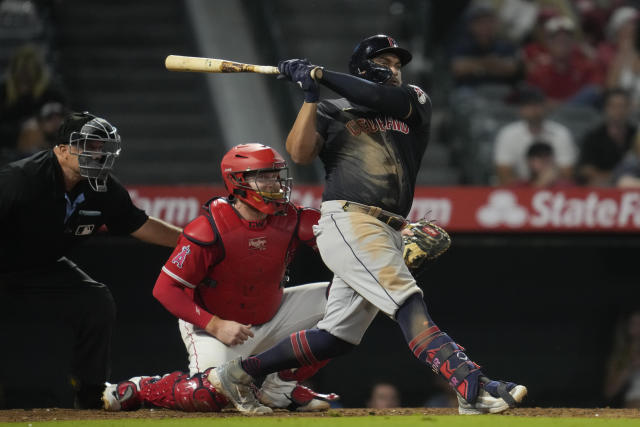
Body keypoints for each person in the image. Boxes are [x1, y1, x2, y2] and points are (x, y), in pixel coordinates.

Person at [205, 34, 527, 415]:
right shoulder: (331, 109)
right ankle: (470, 386)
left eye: (396, 62)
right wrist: (310, 94)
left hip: (389, 228)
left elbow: (377, 97)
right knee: (407, 299)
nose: (394, 68)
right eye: (384, 61)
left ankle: (239, 373)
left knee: (335, 337)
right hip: (351, 219)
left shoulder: (413, 101)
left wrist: (322, 73)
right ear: (361, 66)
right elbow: (299, 151)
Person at [101, 143, 337, 413]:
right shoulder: (208, 228)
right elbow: (165, 289)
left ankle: (280, 389)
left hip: (272, 312)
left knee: (354, 299)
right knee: (208, 395)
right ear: (237, 182)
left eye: (276, 176)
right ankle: (144, 387)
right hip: (214, 326)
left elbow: (345, 241)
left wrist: (392, 232)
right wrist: (215, 325)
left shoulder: (292, 217)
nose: (275, 184)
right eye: (264, 176)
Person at [0, 111, 182, 408]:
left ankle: (90, 392)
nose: (97, 155)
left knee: (95, 300)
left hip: (41, 267)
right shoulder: (20, 180)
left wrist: (194, 240)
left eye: (101, 148)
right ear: (60, 149)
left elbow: (139, 224)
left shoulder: (104, 189)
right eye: (88, 146)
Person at [494, 84, 577, 185]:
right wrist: (530, 187)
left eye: (537, 105)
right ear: (521, 109)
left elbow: (567, 173)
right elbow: (504, 173)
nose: (533, 110)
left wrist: (546, 179)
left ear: (545, 107)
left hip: (553, 186)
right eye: (528, 105)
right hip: (519, 188)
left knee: (565, 185)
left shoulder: (561, 133)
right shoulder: (508, 134)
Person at [578, 88, 636, 186]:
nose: (618, 110)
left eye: (622, 106)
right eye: (613, 106)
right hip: (603, 186)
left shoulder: (636, 135)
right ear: (605, 108)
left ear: (629, 108)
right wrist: (615, 176)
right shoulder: (593, 137)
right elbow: (585, 169)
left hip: (632, 185)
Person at [604, 309, 640, 408]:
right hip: (633, 409)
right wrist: (629, 367)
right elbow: (609, 392)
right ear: (627, 327)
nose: (639, 327)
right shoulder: (621, 356)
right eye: (634, 323)